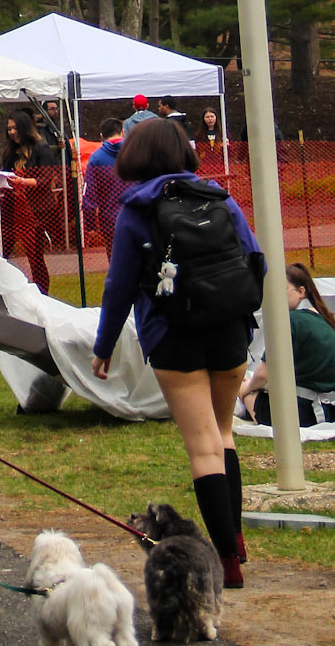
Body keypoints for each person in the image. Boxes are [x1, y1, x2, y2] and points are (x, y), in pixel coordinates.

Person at [91, 117, 263, 589]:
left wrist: (103, 346)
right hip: (229, 327)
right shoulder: (220, 198)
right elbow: (256, 258)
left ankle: (225, 560)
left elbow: (119, 285)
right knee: (224, 433)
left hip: (174, 332)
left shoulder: (137, 209)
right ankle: (238, 538)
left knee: (201, 446)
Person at [239, 264, 335, 426]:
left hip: (299, 414)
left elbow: (263, 375)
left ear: (301, 292)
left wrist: (245, 390)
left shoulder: (290, 321)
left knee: (240, 383)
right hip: (329, 410)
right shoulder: (327, 321)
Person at [0, 111, 57, 295]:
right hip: (12, 208)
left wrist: (23, 182)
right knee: (1, 251)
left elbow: (47, 179)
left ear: (25, 128)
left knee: (35, 256)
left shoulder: (41, 148)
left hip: (36, 211)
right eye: (9, 129)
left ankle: (43, 294)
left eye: (15, 128)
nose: (12, 132)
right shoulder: (10, 151)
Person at [82, 120, 126, 248]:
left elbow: (89, 195)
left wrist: (90, 226)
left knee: (115, 261)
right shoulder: (136, 153)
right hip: (137, 218)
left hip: (110, 221)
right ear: (122, 132)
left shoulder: (96, 158)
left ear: (102, 136)